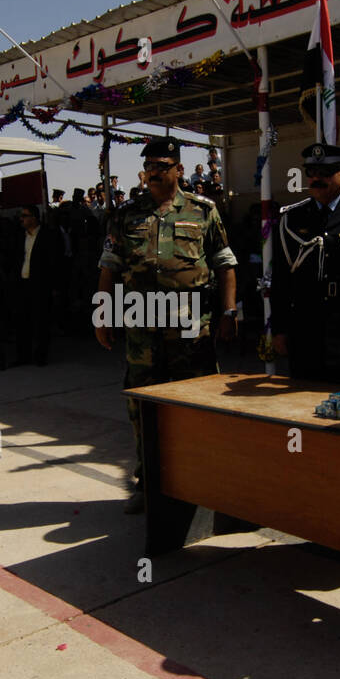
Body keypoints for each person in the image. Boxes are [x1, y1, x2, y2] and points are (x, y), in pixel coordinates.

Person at [97, 136, 238, 513]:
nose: (154, 173)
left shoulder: (203, 210)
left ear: (178, 168)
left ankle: (202, 481)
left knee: (197, 404)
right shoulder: (126, 214)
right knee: (143, 406)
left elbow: (225, 263)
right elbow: (108, 267)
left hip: (190, 325)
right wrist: (102, 317)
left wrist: (228, 312)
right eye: (150, 167)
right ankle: (148, 482)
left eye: (162, 166)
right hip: (142, 325)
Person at [272, 143, 340, 383]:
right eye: (311, 172)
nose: (317, 178)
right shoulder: (292, 219)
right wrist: (279, 329)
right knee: (303, 405)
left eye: (326, 173)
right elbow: (281, 279)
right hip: (307, 329)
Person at [12, 205, 60, 365]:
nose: (22, 219)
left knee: (41, 321)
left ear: (34, 218)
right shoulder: (20, 236)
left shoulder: (48, 236)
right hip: (23, 283)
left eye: (25, 216)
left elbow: (54, 263)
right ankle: (23, 356)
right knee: (22, 321)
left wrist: (53, 286)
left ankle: (40, 356)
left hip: (40, 284)